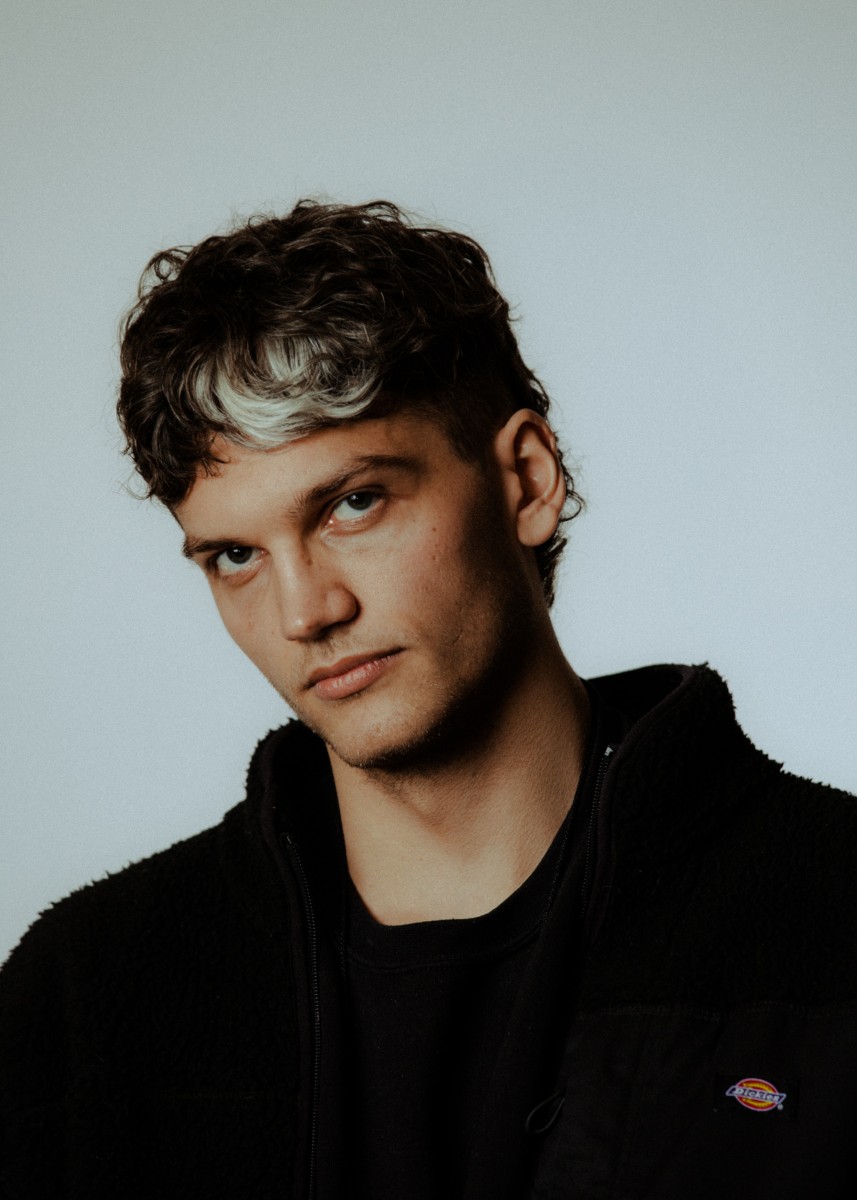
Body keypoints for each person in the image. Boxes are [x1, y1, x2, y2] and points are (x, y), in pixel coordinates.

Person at [1, 200, 856, 1200]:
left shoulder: (832, 913)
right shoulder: (90, 993)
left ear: (526, 480)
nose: (305, 611)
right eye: (235, 556)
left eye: (352, 503)